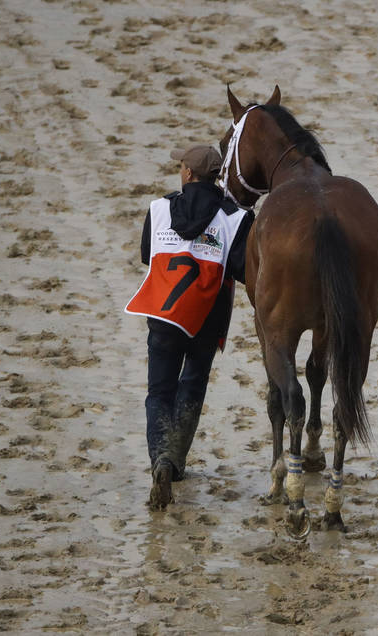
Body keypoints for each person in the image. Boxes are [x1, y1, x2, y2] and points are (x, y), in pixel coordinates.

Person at [125, 145, 253, 509]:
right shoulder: (235, 218)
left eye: (181, 165)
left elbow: (147, 255)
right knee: (191, 387)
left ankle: (161, 462)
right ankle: (175, 462)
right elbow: (243, 270)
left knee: (158, 393)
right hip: (206, 319)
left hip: (163, 318)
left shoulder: (160, 208)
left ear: (187, 174)